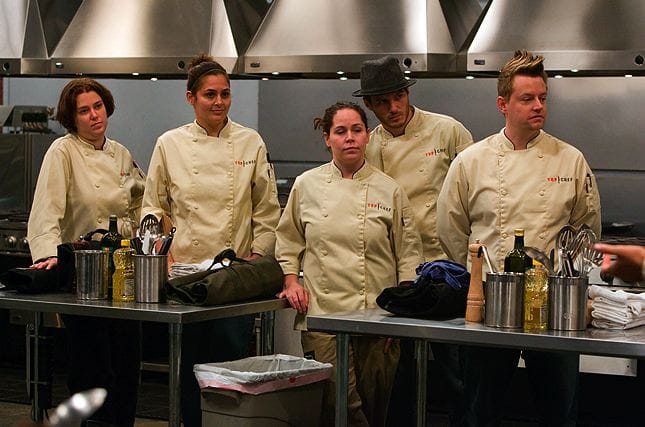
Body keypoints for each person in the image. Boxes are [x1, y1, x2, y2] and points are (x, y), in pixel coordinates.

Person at [437, 50, 601, 426]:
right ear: (503, 104)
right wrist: (478, 281)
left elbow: (586, 231)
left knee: (559, 412)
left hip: (555, 307)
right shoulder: (471, 161)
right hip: (491, 305)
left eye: (542, 97)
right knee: (480, 412)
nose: (538, 106)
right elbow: (450, 230)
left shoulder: (570, 160)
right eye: (527, 98)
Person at [140, 54, 281, 427]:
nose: (219, 102)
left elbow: (267, 210)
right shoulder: (169, 144)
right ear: (191, 98)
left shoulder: (250, 142)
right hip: (185, 278)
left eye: (225, 94)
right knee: (189, 367)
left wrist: (257, 258)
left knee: (230, 367)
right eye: (210, 95)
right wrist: (162, 257)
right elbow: (153, 207)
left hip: (233, 278)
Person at [275, 101, 423, 427]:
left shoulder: (390, 190)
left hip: (378, 317)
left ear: (367, 136)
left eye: (357, 130)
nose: (350, 138)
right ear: (327, 138)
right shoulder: (307, 185)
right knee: (338, 403)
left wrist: (400, 314)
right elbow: (288, 240)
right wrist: (291, 280)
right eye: (340, 131)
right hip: (323, 315)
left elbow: (409, 255)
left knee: (375, 404)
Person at [353, 55, 473, 425]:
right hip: (399, 276)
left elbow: (473, 193)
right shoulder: (368, 146)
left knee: (457, 371)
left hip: (448, 272)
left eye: (399, 97)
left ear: (408, 94)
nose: (394, 108)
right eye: (383, 102)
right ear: (369, 105)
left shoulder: (448, 131)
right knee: (400, 374)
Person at [27, 78, 146, 427]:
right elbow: (46, 210)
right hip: (83, 278)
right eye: (84, 111)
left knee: (126, 366)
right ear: (72, 118)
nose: (94, 116)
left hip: (123, 275)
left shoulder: (120, 153)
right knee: (92, 368)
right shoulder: (62, 151)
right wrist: (48, 257)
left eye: (98, 107)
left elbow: (141, 203)